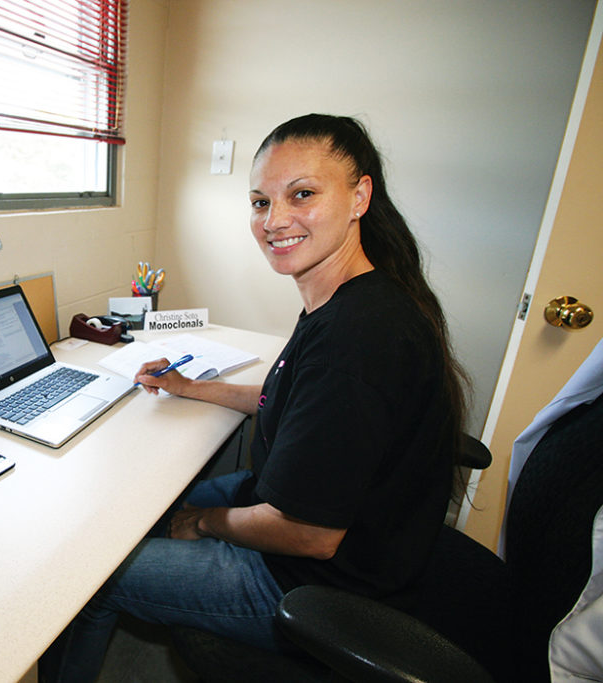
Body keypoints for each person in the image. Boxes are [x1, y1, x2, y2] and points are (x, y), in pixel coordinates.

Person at [40, 113, 470, 682]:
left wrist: (207, 523)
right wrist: (189, 388)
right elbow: (287, 399)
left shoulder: (357, 340)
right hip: (323, 523)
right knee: (147, 509)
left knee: (94, 578)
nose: (276, 220)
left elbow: (310, 535)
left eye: (303, 195)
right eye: (261, 202)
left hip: (314, 583)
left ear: (360, 195)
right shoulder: (353, 298)